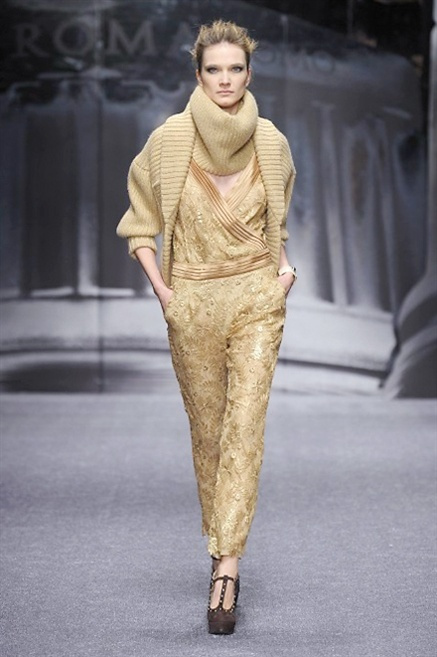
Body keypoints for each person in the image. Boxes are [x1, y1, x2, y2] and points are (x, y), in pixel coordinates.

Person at [116, 19, 296, 635]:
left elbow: (277, 223)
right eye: (214, 69)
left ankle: (227, 567)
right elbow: (140, 221)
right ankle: (220, 544)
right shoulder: (169, 140)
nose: (225, 79)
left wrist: (283, 275)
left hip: (255, 297)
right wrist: (165, 293)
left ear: (249, 73)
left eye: (235, 69)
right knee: (210, 433)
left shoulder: (271, 142)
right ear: (198, 75)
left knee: (245, 427)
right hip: (190, 299)